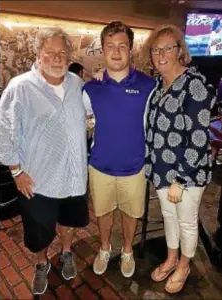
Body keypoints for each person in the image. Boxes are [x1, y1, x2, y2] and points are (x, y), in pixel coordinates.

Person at [0, 27, 89, 295]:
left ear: (69, 55)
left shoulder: (76, 83)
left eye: (62, 52)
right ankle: (40, 264)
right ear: (38, 54)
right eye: (50, 52)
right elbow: (2, 131)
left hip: (73, 175)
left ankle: (66, 251)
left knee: (69, 222)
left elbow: (88, 114)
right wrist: (16, 172)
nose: (57, 58)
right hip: (39, 179)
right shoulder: (21, 87)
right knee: (39, 230)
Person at [142, 24, 216, 293]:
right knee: (168, 217)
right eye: (156, 49)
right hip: (162, 169)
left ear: (180, 51)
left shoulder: (195, 84)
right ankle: (171, 258)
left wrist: (181, 179)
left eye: (168, 48)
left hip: (188, 174)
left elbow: (198, 139)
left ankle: (184, 265)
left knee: (185, 220)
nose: (161, 55)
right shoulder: (159, 86)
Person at [82, 21, 155, 278]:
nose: (116, 52)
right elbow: (83, 120)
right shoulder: (90, 88)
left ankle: (126, 250)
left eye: (122, 46)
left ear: (131, 49)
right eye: (110, 46)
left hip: (134, 167)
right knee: (103, 213)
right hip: (100, 165)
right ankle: (104, 248)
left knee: (130, 214)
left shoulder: (148, 86)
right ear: (102, 50)